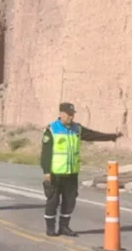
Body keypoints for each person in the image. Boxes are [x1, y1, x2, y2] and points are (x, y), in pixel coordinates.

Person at [41, 102, 121, 237]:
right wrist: (46, 172)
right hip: (56, 173)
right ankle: (50, 228)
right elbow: (46, 153)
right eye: (68, 115)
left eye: (72, 115)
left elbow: (93, 135)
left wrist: (112, 136)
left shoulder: (76, 129)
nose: (71, 117)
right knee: (53, 201)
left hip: (71, 172)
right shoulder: (51, 129)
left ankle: (64, 227)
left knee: (70, 201)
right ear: (61, 114)